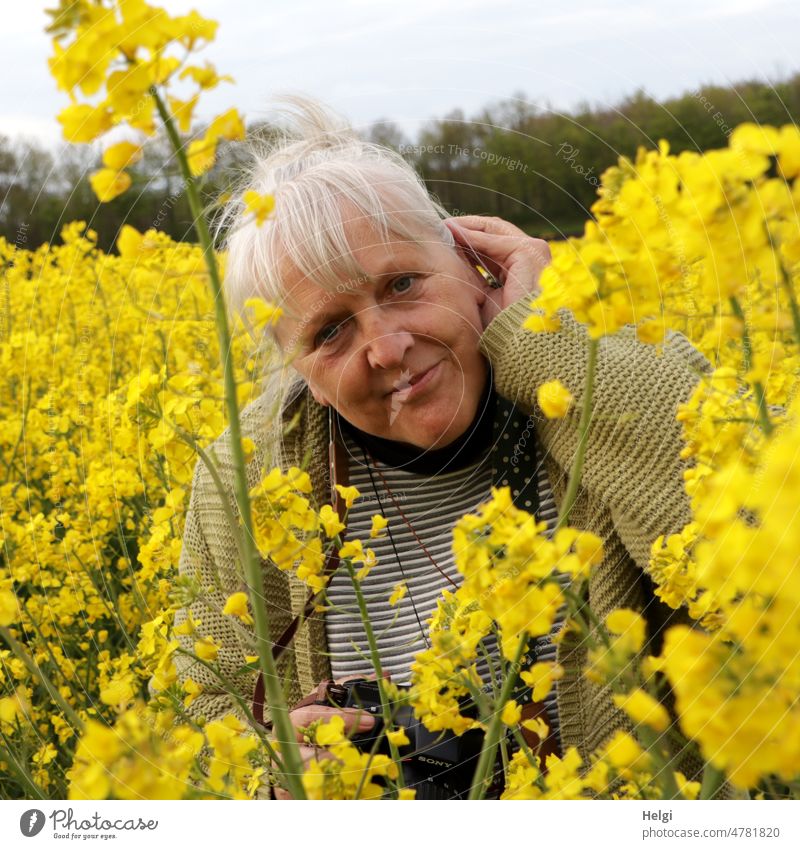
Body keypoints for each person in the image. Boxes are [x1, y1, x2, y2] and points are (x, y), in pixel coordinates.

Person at [172, 94, 715, 799]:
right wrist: (267, 779)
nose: (388, 347)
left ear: (473, 261)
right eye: (329, 331)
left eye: (403, 283)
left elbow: (760, 588)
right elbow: (202, 716)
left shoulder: (614, 380)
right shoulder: (241, 480)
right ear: (294, 368)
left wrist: (549, 341)